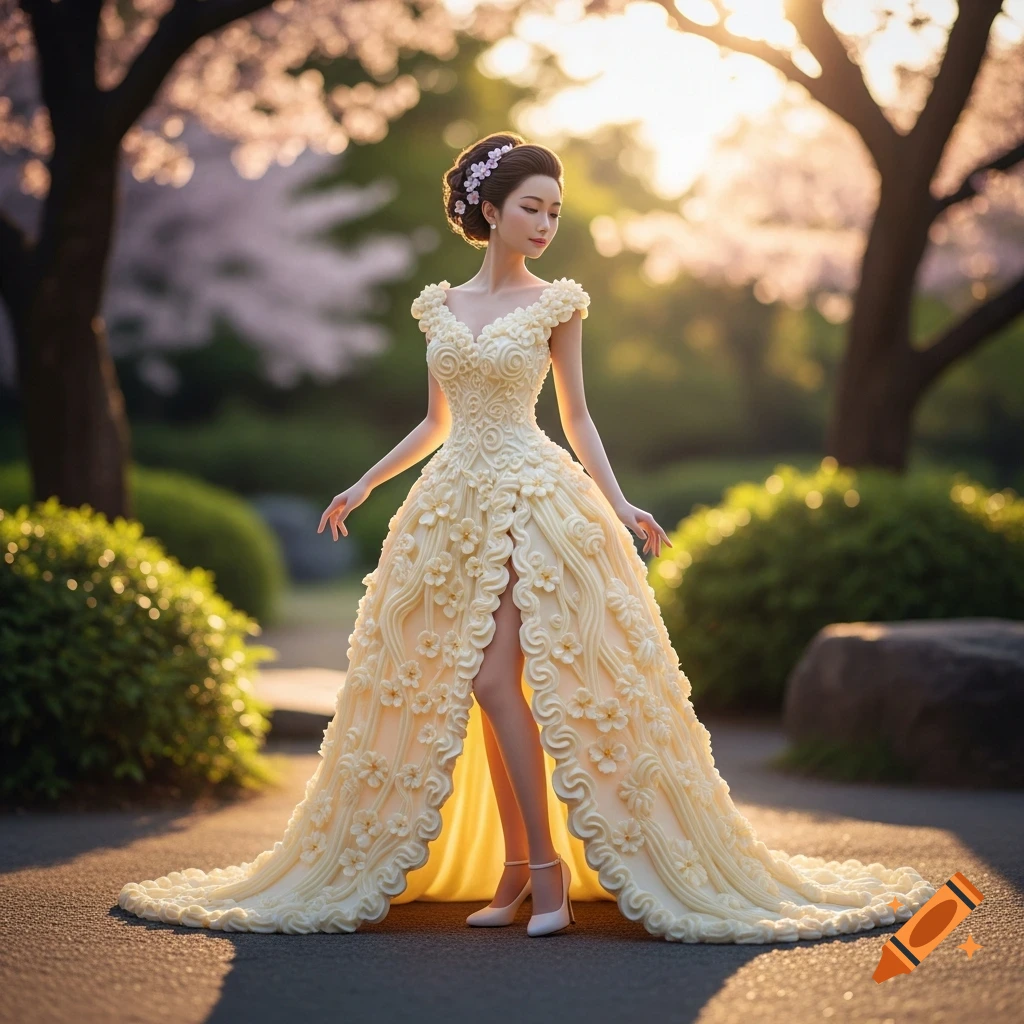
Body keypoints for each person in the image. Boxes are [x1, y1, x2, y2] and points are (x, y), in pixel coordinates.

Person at [118, 131, 938, 940]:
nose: (546, 224)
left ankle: (544, 873)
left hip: (533, 497)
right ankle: (519, 873)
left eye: (555, 211)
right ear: (491, 209)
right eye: (532, 208)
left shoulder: (558, 303)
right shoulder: (439, 306)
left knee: (499, 681)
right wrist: (366, 481)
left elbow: (577, 415)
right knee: (473, 685)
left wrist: (617, 503)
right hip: (453, 503)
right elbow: (436, 420)